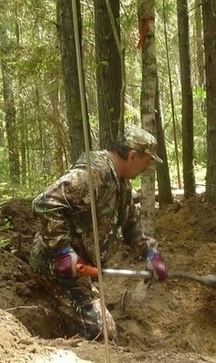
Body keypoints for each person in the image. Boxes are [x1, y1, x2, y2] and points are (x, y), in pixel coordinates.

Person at [29, 127, 169, 341]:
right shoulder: (95, 173)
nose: (148, 167)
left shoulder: (121, 183)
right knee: (103, 332)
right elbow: (45, 203)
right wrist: (62, 251)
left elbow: (131, 223)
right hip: (57, 266)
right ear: (133, 156)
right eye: (148, 161)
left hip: (81, 267)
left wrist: (151, 253)